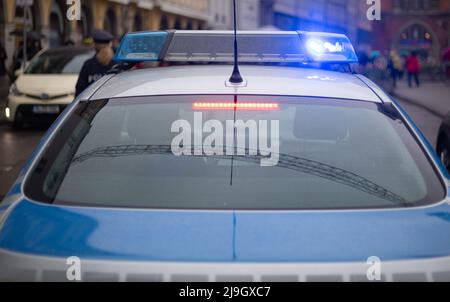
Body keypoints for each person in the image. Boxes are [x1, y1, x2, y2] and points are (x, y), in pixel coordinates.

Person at [75, 29, 115, 97]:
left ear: (95, 46)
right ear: (109, 44)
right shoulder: (117, 64)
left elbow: (80, 90)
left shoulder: (88, 64)